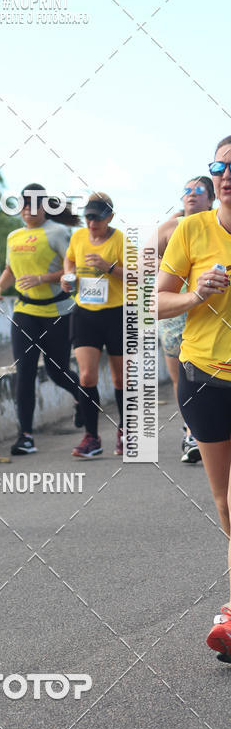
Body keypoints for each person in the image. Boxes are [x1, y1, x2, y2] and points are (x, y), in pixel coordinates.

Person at [158, 135, 231, 661]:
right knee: (224, 502)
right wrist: (196, 294)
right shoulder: (192, 228)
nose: (226, 175)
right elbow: (157, 301)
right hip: (203, 376)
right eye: (220, 166)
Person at [0, 183, 82, 455]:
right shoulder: (14, 236)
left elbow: (71, 269)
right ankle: (25, 437)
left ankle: (82, 398)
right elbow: (10, 269)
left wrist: (42, 278)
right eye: (24, 205)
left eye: (35, 205)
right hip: (24, 312)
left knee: (57, 372)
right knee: (25, 373)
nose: (28, 210)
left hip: (57, 312)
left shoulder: (58, 232)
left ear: (46, 207)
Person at [62, 193, 125, 458]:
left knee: (120, 377)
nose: (91, 223)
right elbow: (70, 259)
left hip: (116, 313)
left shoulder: (120, 239)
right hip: (85, 312)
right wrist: (68, 276)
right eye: (87, 217)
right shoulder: (78, 237)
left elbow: (137, 275)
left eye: (97, 218)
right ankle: (91, 437)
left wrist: (109, 267)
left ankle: (126, 431)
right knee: (86, 376)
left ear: (109, 217)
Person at [157, 177, 215, 463]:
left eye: (199, 191)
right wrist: (169, 266)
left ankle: (204, 431)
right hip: (175, 309)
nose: (191, 195)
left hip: (210, 314)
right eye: (187, 191)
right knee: (181, 376)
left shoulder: (218, 226)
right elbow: (141, 260)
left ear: (211, 198)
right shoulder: (172, 227)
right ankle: (191, 430)